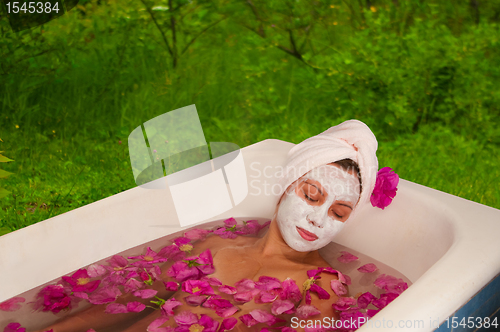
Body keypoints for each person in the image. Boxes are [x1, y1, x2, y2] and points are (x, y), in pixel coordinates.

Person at [35, 119, 380, 332]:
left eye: (339, 212)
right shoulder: (212, 247)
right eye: (312, 195)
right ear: (286, 188)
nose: (318, 219)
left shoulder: (318, 286)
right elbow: (121, 306)